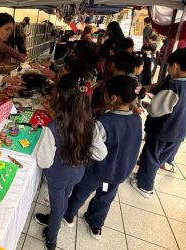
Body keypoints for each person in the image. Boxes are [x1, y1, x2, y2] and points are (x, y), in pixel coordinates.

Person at [62, 75, 144, 239]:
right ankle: (95, 224)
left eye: (105, 93)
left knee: (81, 191)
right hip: (121, 171)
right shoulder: (137, 119)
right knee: (106, 197)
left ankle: (69, 215)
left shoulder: (103, 121)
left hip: (98, 171)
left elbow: (94, 150)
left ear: (112, 98)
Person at [34, 73, 107, 250]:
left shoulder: (52, 128)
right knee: (64, 198)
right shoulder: (93, 126)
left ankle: (52, 237)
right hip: (78, 173)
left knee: (58, 204)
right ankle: (54, 218)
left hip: (57, 176)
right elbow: (101, 154)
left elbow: (43, 162)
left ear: (59, 101)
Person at [132, 48, 186, 198]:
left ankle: (145, 186)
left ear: (175, 65)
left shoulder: (174, 86)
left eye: (168, 65)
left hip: (164, 129)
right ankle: (143, 175)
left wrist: (146, 105)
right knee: (160, 157)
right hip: (180, 131)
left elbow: (156, 110)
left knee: (151, 156)